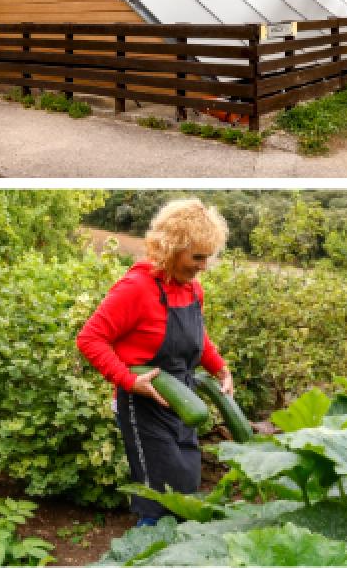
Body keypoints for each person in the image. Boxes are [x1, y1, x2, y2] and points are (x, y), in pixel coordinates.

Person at [76, 199, 234, 526]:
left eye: (209, 256)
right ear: (172, 249)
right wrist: (129, 380)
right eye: (198, 257)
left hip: (181, 400)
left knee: (186, 489)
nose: (204, 265)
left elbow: (197, 338)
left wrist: (219, 367)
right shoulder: (136, 288)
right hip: (142, 406)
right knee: (158, 499)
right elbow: (90, 339)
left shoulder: (192, 290)